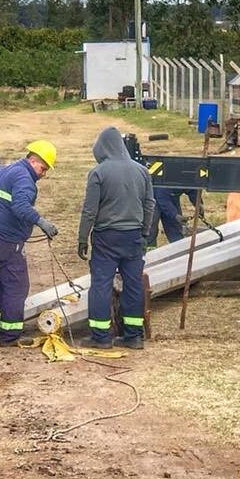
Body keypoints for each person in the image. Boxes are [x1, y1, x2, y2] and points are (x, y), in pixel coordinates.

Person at [77, 127, 156, 349]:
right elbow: (150, 204)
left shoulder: (98, 173)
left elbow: (89, 210)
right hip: (134, 237)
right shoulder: (142, 171)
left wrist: (83, 238)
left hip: (106, 237)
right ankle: (134, 336)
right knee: (133, 284)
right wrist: (144, 231)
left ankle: (101, 337)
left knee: (101, 284)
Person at [0, 140, 59, 345]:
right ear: (33, 160)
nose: (43, 174)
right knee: (17, 285)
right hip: (4, 240)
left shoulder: (8, 170)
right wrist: (42, 223)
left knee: (1, 280)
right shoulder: (24, 179)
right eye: (43, 168)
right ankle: (10, 335)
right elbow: (21, 207)